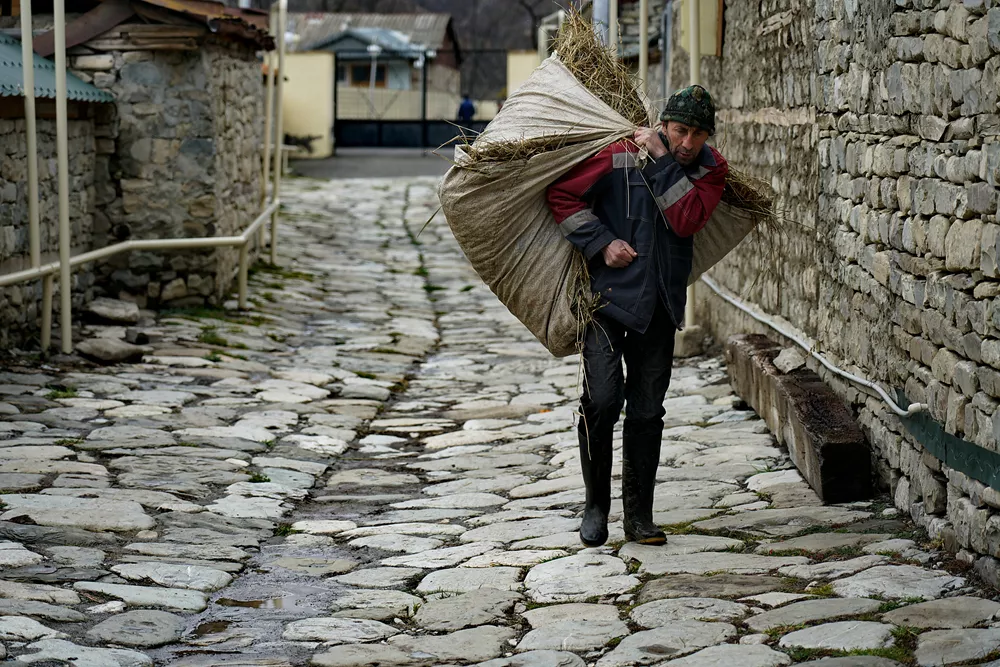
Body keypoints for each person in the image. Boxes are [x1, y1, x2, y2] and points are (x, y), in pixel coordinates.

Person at [546, 85, 728, 546]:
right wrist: (601, 243)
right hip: (605, 302)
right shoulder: (617, 155)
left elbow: (686, 219)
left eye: (698, 134)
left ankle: (639, 518)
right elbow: (563, 197)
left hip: (660, 307)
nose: (688, 143)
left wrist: (665, 162)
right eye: (680, 131)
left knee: (647, 411)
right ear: (664, 125)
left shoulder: (711, 170)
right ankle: (595, 506)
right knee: (603, 400)